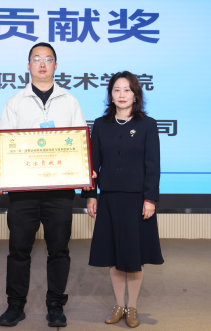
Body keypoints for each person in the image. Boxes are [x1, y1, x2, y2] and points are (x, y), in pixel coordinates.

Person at [0, 42, 87, 328]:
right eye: (36, 59)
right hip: (23, 192)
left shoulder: (69, 101)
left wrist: (85, 170)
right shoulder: (15, 102)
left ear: (56, 65)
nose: (42, 64)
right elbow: (4, 143)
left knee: (59, 249)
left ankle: (56, 304)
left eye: (48, 59)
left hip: (60, 191)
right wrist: (1, 172)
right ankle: (15, 304)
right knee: (19, 249)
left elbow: (81, 142)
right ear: (28, 65)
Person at [81, 71, 163, 328]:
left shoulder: (147, 125)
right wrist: (91, 196)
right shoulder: (100, 125)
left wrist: (150, 199)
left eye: (127, 90)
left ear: (136, 95)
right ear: (110, 95)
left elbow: (153, 166)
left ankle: (133, 307)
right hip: (109, 199)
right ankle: (118, 305)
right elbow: (92, 164)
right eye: (117, 90)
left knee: (134, 257)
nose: (122, 94)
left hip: (137, 200)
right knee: (114, 255)